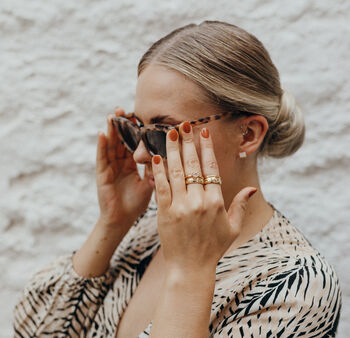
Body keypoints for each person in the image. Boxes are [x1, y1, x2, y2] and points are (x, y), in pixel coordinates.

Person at [13, 20, 342, 337]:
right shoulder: (148, 231)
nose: (140, 154)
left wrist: (191, 271)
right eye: (134, 129)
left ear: (248, 134)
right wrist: (113, 222)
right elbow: (34, 331)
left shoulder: (296, 284)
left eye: (162, 132)